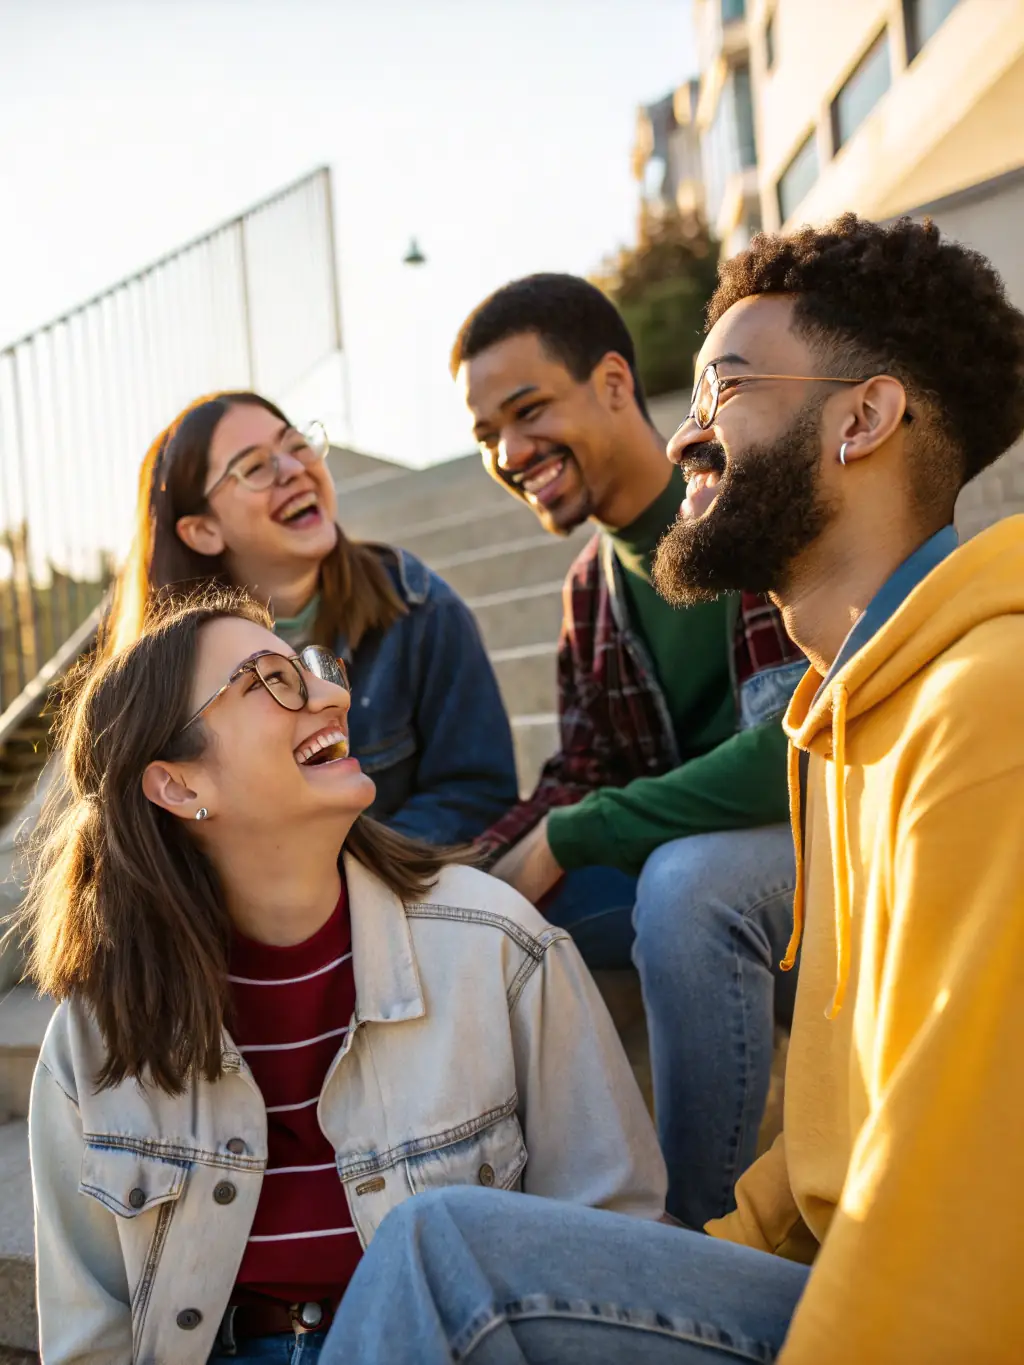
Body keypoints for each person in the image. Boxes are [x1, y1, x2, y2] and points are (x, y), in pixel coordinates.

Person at [320, 213, 1024, 1365]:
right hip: (827, 1278)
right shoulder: (847, 726)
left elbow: (957, 1204)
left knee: (446, 1257)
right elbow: (825, 1160)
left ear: (865, 417)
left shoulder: (983, 714)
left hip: (896, 1321)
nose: (688, 430)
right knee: (438, 1241)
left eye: (726, 388)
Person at [23, 592, 666, 1365]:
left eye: (316, 670)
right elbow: (88, 1334)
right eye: (272, 679)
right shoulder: (97, 1033)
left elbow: (616, 1238)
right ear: (180, 785)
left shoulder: (499, 943)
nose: (332, 694)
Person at [450, 274, 806, 1226]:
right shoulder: (588, 589)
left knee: (684, 883)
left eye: (528, 412)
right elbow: (580, 772)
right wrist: (460, 874)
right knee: (480, 911)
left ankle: (698, 1236)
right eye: (488, 436)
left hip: (828, 856)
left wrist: (577, 831)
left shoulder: (745, 502)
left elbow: (794, 753)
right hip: (689, 881)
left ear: (613, 382)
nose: (510, 453)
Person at [103, 390, 518, 845]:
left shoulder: (415, 603)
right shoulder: (164, 679)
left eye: (297, 446)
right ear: (203, 531)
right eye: (256, 467)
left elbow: (478, 793)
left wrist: (343, 875)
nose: (297, 470)